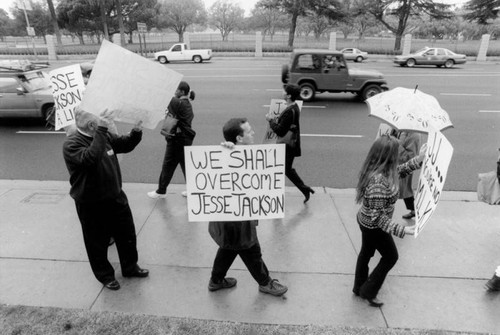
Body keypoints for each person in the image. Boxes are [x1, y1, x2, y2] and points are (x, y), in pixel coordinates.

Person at [63, 108, 149, 291]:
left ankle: (130, 267)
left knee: (127, 235)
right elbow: (90, 159)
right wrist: (102, 131)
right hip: (91, 203)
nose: (108, 123)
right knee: (97, 243)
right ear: (93, 125)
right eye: (102, 122)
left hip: (115, 197)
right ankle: (105, 275)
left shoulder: (104, 136)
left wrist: (136, 131)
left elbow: (125, 145)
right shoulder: (72, 144)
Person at [207, 118, 288, 297]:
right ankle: (265, 283)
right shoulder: (226, 155)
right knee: (251, 250)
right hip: (235, 220)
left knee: (228, 249)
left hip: (237, 217)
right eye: (249, 131)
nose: (253, 133)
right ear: (239, 138)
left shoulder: (247, 154)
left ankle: (216, 280)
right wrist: (225, 152)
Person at [353, 135, 427, 307]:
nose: (399, 155)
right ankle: (368, 291)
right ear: (388, 156)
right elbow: (377, 218)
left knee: (366, 253)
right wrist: (402, 230)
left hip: (366, 221)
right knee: (391, 256)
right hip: (373, 226)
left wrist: (419, 160)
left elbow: (400, 170)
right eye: (396, 152)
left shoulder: (381, 170)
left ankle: (358, 288)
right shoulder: (378, 182)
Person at [265, 84, 314, 203]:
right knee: (284, 169)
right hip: (290, 144)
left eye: (284, 91)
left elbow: (280, 131)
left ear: (289, 95)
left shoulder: (290, 111)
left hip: (287, 146)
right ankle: (304, 189)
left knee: (284, 169)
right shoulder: (294, 107)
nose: (282, 92)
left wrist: (270, 120)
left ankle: (304, 189)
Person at [148, 81, 196, 199]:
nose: (175, 92)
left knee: (168, 165)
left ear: (182, 92)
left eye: (177, 90)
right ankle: (193, 190)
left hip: (177, 140)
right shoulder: (186, 103)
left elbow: (164, 97)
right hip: (185, 139)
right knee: (186, 166)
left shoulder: (177, 102)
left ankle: (161, 191)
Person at [394, 130, 421, 219]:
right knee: (404, 189)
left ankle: (415, 210)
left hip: (404, 166)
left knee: (404, 189)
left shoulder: (414, 136)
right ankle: (414, 210)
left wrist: (397, 145)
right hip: (396, 164)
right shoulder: (402, 131)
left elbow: (410, 157)